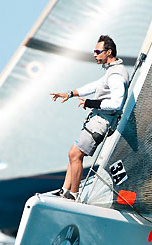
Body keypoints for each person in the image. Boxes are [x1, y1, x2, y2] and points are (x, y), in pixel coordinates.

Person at [50, 35, 129, 200]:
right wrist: (70, 93)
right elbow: (95, 86)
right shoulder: (110, 71)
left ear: (109, 52)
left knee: (75, 155)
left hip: (102, 122)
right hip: (96, 119)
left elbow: (116, 103)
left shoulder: (116, 75)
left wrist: (91, 103)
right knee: (73, 153)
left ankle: (73, 194)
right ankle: (65, 191)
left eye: (98, 51)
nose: (95, 54)